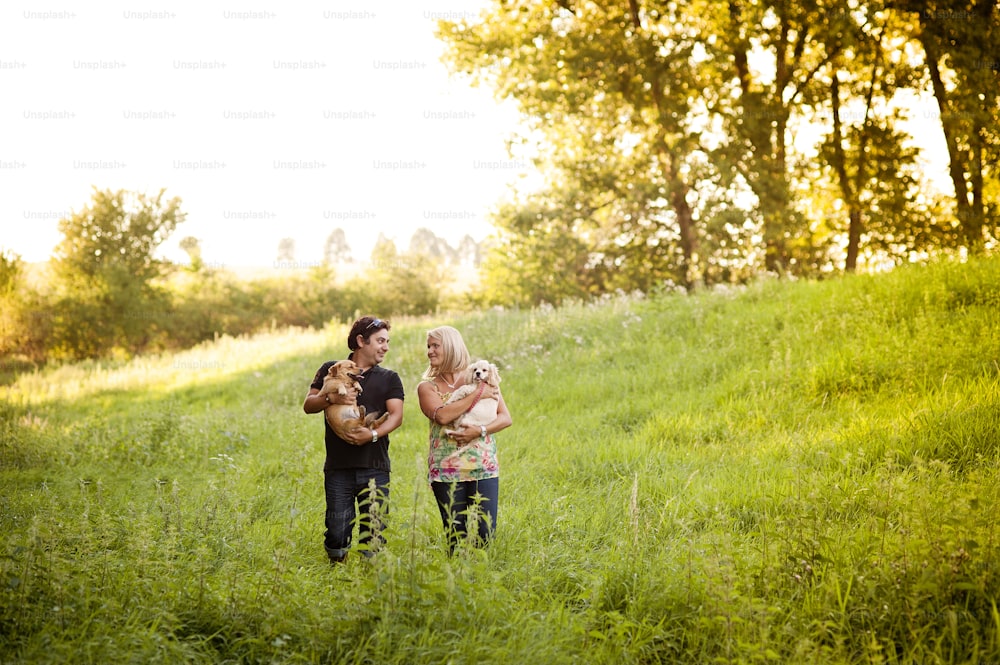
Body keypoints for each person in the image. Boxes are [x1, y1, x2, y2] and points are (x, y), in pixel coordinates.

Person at [303, 316, 404, 564]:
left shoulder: (389, 378)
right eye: (380, 341)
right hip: (339, 466)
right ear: (361, 341)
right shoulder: (333, 368)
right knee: (337, 530)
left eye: (387, 341)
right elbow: (308, 404)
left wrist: (372, 434)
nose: (385, 347)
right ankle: (336, 573)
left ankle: (370, 584)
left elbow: (397, 416)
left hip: (375, 465)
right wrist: (331, 399)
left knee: (374, 530)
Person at [417, 325, 512, 553]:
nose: (429, 351)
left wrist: (478, 430)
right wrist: (478, 394)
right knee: (456, 536)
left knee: (485, 534)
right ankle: (456, 584)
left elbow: (505, 418)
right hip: (447, 468)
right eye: (428, 346)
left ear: (450, 347)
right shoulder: (427, 387)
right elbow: (442, 415)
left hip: (483, 464)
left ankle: (482, 583)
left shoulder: (482, 376)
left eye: (435, 346)